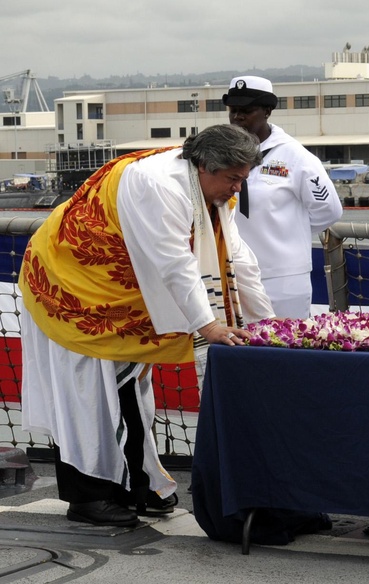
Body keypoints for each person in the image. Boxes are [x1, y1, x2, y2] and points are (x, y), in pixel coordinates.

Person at [18, 124, 274, 527]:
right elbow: (175, 263)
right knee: (89, 396)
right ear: (205, 165)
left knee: (132, 391)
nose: (237, 188)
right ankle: (91, 496)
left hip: (124, 293)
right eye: (233, 179)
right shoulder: (160, 185)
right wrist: (208, 328)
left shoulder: (210, 188)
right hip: (76, 287)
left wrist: (269, 327)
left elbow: (238, 260)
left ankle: (139, 485)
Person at [225, 75, 344, 319]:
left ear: (267, 111)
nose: (237, 117)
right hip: (235, 274)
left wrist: (288, 230)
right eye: (233, 110)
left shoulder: (296, 157)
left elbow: (329, 210)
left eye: (246, 111)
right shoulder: (222, 154)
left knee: (284, 350)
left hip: (283, 278)